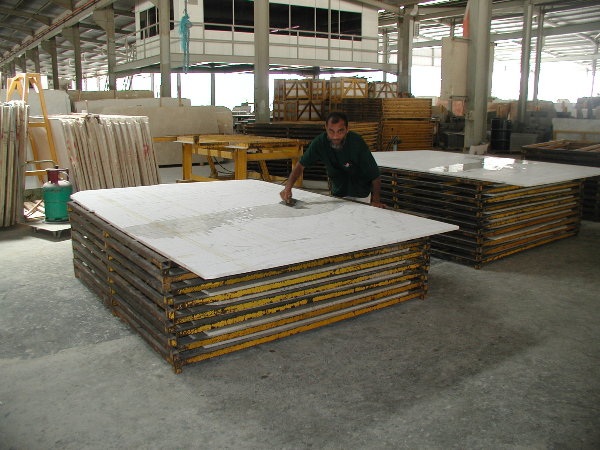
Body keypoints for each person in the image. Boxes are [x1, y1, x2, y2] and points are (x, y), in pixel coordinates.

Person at [279, 111, 385, 208]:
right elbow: (301, 165)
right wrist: (288, 187)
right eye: (331, 131)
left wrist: (375, 201)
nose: (335, 137)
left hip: (361, 193)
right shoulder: (320, 143)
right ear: (326, 128)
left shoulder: (356, 142)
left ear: (347, 129)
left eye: (340, 131)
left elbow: (375, 175)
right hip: (338, 193)